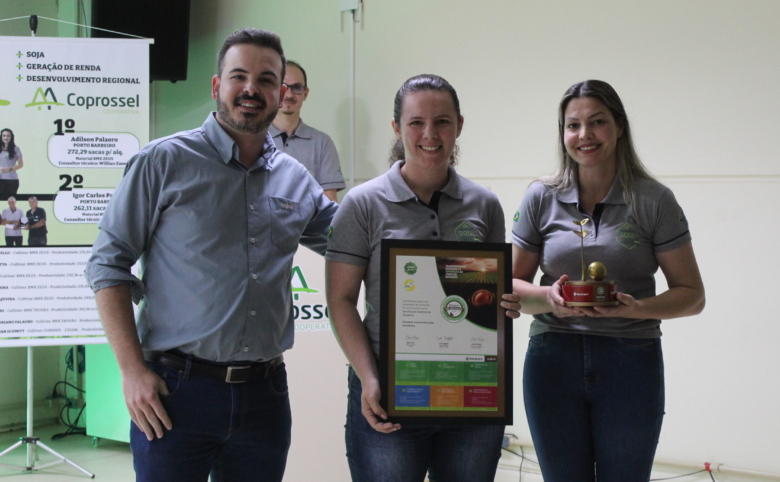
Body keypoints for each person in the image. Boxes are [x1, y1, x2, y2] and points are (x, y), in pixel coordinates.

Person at [84, 28, 337, 482]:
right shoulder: (162, 162)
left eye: (265, 79)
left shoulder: (297, 180)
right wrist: (131, 371)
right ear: (217, 85)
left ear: (282, 94)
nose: (251, 89)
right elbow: (107, 264)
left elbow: (353, 243)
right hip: (175, 393)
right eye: (239, 76)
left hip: (265, 396)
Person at [325, 74, 521, 482]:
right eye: (416, 122)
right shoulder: (362, 205)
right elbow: (341, 300)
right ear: (397, 127)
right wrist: (369, 378)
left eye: (443, 122)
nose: (430, 134)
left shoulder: (484, 205)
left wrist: (506, 303)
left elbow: (493, 296)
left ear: (459, 126)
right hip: (389, 394)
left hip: (471, 396)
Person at [511, 80, 705, 482]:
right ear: (562, 133)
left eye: (597, 122)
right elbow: (508, 284)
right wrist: (550, 297)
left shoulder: (654, 200)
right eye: (573, 125)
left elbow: (692, 295)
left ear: (619, 127)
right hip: (553, 358)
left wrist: (639, 308)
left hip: (630, 359)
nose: (585, 135)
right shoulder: (540, 197)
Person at [269, 61, 345, 202]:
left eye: (297, 87)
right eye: (283, 86)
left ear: (305, 93)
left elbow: (329, 203)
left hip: (308, 224)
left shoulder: (322, 143)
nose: (289, 94)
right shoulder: (254, 138)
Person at [0, 128, 23, 201]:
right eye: (4, 136)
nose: (6, 137)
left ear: (11, 137)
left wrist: (9, 169)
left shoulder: (16, 149)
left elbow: (21, 164)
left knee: (10, 201)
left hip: (12, 180)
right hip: (1, 179)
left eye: (8, 136)